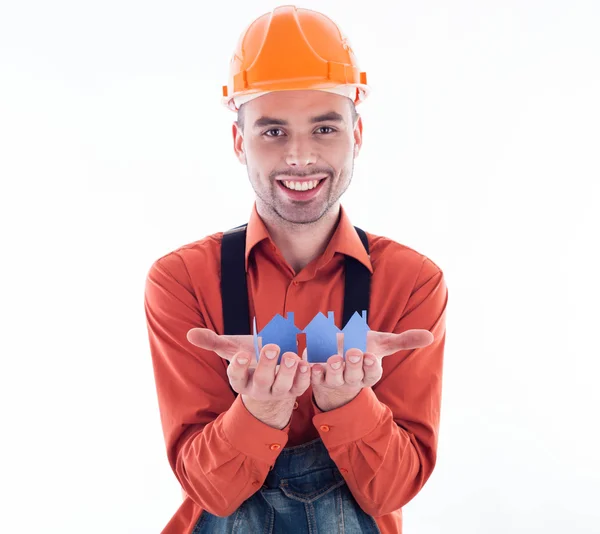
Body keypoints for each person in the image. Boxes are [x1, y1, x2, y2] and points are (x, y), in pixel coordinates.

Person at [144, 5, 448, 533]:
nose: (301, 156)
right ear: (240, 143)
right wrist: (257, 414)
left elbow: (392, 492)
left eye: (325, 127)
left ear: (357, 135)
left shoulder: (413, 284)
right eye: (273, 132)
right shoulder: (181, 282)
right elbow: (210, 491)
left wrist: (350, 401)